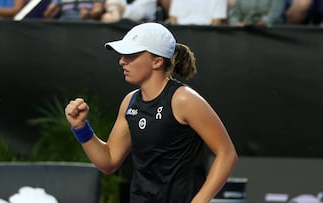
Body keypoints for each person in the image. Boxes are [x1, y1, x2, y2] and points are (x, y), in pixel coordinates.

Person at [65, 22, 238, 203]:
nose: (122, 61)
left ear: (157, 61)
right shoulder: (129, 102)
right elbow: (109, 161)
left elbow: (226, 154)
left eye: (131, 55)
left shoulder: (184, 100)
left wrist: (200, 200)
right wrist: (80, 127)